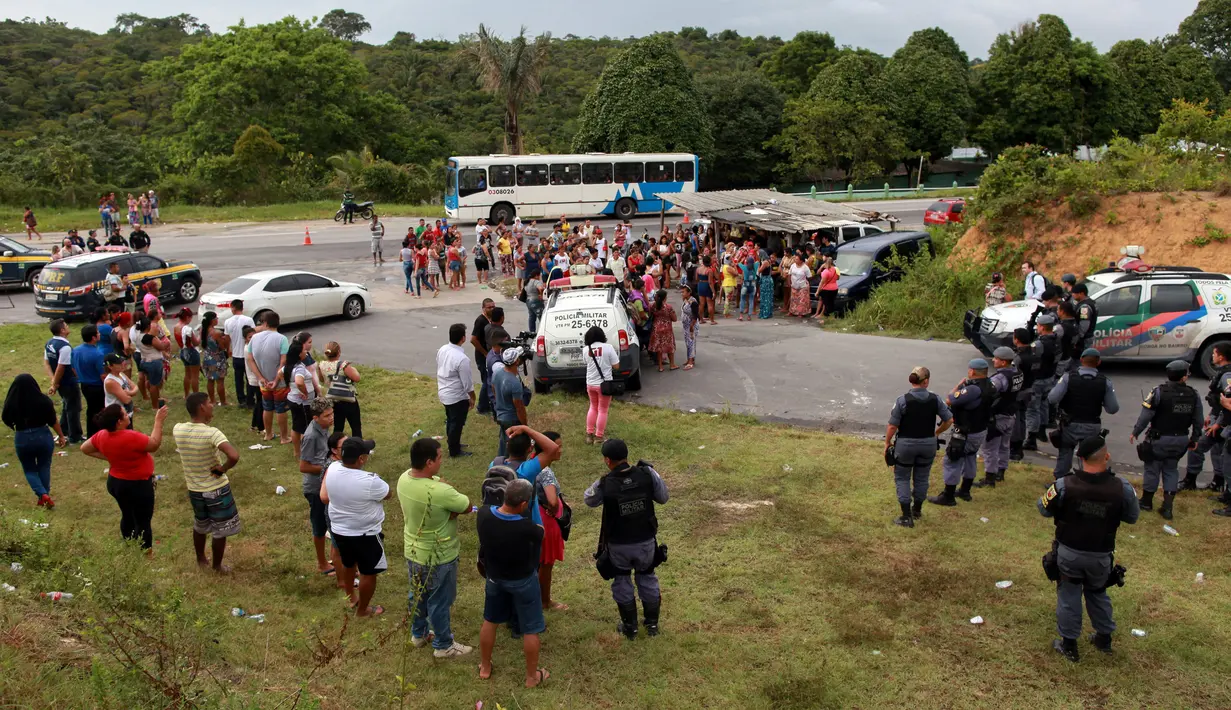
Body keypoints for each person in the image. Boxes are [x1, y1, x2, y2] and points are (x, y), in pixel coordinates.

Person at [1038, 433, 1139, 662]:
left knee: (1068, 594)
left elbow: (1043, 508)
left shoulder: (1065, 485)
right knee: (1098, 592)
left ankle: (1069, 645)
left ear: (1080, 458)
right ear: (1107, 457)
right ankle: (1104, 638)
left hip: (1070, 552)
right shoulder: (1121, 487)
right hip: (1101, 554)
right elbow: (1132, 516)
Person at [584, 439, 669, 639]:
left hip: (618, 544)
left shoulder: (605, 483)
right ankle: (652, 625)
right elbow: (663, 497)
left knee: (622, 580)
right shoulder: (647, 474)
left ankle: (630, 628)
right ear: (626, 455)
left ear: (607, 460)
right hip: (646, 541)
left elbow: (589, 499)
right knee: (647, 576)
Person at [398, 437, 474, 657]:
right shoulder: (441, 491)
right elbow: (467, 505)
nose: (442, 461)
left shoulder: (404, 478)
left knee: (417, 595)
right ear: (429, 462)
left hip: (413, 551)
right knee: (439, 601)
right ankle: (443, 645)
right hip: (439, 555)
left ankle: (418, 634)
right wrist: (445, 487)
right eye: (440, 457)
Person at [476, 478, 550, 688]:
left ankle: (485, 667)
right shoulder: (528, 529)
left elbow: (491, 508)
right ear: (524, 504)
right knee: (530, 628)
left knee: (490, 620)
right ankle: (531, 677)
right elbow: (540, 534)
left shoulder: (483, 515)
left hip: (494, 578)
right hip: (523, 581)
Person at [82, 403, 168, 551]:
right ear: (119, 422)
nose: (128, 415)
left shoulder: (102, 434)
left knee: (127, 514)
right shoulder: (130, 436)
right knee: (143, 521)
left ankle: (129, 545)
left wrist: (110, 457)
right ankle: (146, 554)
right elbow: (154, 445)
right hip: (138, 485)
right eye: (125, 413)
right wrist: (158, 421)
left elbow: (85, 448)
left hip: (116, 483)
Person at [173, 393, 242, 573]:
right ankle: (217, 566)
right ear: (202, 408)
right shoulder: (212, 433)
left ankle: (201, 558)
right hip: (216, 489)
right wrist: (223, 468)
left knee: (200, 524)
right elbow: (234, 456)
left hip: (194, 490)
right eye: (209, 402)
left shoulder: (178, 429)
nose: (212, 405)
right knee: (221, 529)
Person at [320, 437, 388, 617]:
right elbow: (388, 494)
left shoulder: (333, 468)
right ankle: (363, 609)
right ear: (361, 459)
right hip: (366, 534)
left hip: (340, 530)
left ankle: (351, 597)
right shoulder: (370, 481)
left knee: (348, 565)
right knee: (368, 572)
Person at [1131, 360, 1202, 521]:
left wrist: (1136, 431)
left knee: (1152, 468)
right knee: (1171, 470)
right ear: (1184, 377)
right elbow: (1198, 420)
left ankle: (1147, 502)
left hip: (1159, 439)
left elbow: (1145, 416)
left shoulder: (1158, 392)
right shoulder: (1193, 394)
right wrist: (1195, 438)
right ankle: (1168, 507)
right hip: (1181, 440)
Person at [885, 366, 953, 527]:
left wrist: (887, 443)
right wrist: (936, 433)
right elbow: (949, 420)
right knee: (922, 478)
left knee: (902, 477)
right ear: (926, 381)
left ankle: (906, 516)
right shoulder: (935, 399)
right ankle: (917, 510)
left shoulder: (902, 400)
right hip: (928, 443)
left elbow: (892, 426)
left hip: (906, 444)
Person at [928, 358, 993, 506]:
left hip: (966, 431)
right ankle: (965, 490)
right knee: (970, 457)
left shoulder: (973, 389)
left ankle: (948, 496)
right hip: (980, 429)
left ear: (972, 371)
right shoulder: (990, 385)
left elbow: (950, 400)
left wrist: (958, 386)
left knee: (952, 459)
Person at [1048, 348, 1120, 479]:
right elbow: (1113, 409)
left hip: (1070, 424)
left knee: (1065, 452)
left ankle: (1060, 481)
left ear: (1081, 360)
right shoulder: (1105, 382)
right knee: (1089, 454)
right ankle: (1086, 480)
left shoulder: (1068, 377)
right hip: (1092, 424)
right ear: (1098, 362)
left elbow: (1052, 398)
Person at [3, 374, 67, 507]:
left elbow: (5, 418)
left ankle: (42, 494)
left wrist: (13, 426)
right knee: (44, 466)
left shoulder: (12, 402)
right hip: (43, 435)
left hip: (22, 436)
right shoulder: (43, 401)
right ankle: (45, 494)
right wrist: (61, 435)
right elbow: (53, 420)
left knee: (29, 469)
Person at [974, 347, 1025, 488]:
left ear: (1003, 362)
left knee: (990, 448)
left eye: (996, 358)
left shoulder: (1000, 378)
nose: (993, 360)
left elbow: (987, 392)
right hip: (1010, 414)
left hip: (998, 417)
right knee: (1004, 446)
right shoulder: (1018, 373)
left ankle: (989, 478)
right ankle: (1000, 473)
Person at [299, 397, 339, 575]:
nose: (331, 418)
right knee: (319, 525)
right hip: (315, 488)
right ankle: (322, 563)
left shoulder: (324, 428)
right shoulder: (311, 436)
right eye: (327, 415)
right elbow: (304, 466)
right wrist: (328, 468)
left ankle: (333, 559)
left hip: (326, 483)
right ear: (315, 418)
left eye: (332, 414)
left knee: (331, 522)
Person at [1183, 342, 1231, 492]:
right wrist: (1211, 415)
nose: (1212, 356)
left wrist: (1218, 422)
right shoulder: (1223, 373)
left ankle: (1190, 480)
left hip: (1223, 422)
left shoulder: (1227, 376)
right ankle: (1218, 483)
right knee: (1217, 451)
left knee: (1196, 446)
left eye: (1214, 353)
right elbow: (1218, 402)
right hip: (1219, 418)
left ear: (1221, 357)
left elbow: (1227, 403)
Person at [248, 311, 291, 445]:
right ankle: (284, 437)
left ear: (265, 323)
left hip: (264, 382)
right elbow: (283, 361)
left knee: (267, 407)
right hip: (279, 381)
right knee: (280, 408)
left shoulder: (254, 338)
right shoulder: (282, 339)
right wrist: (277, 380)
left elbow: (250, 359)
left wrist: (260, 378)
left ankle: (268, 433)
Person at [436, 324, 475, 458]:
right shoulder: (462, 359)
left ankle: (453, 443)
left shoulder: (442, 349)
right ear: (463, 338)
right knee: (456, 424)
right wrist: (472, 397)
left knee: (451, 420)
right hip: (456, 396)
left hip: (444, 392)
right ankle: (454, 450)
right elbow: (467, 383)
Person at [1024, 314, 1061, 451]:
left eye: (1038, 326)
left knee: (1033, 409)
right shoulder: (1057, 340)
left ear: (1042, 327)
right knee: (1044, 405)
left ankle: (1031, 438)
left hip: (1038, 379)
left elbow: (1032, 360)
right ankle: (1041, 431)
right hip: (1050, 377)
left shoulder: (1039, 344)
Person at [45, 319, 83, 444]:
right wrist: (55, 383)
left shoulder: (50, 343)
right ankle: (74, 436)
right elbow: (61, 367)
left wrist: (53, 381)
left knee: (66, 406)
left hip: (59, 381)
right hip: (68, 381)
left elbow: (47, 362)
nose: (68, 327)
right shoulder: (65, 347)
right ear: (62, 330)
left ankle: (64, 430)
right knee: (73, 407)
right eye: (66, 325)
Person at [583, 326, 620, 444]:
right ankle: (599, 437)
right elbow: (616, 366)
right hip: (605, 385)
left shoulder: (586, 349)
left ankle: (589, 435)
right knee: (603, 410)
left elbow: (586, 363)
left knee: (592, 407)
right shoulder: (608, 348)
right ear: (602, 336)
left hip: (590, 383)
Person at [493, 347, 530, 457]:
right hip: (512, 419)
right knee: (513, 449)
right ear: (517, 361)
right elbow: (519, 407)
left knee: (504, 443)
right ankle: (504, 468)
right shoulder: (514, 383)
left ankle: (499, 463)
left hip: (500, 415)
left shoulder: (497, 373)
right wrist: (524, 425)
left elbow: (493, 389)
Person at [319, 342, 362, 437]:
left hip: (334, 399)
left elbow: (322, 379)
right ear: (339, 352)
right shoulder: (343, 365)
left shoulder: (321, 365)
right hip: (348, 399)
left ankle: (335, 446)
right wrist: (354, 369)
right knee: (355, 425)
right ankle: (358, 446)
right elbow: (357, 378)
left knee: (338, 425)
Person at [73, 325, 106, 438]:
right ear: (93, 337)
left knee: (91, 410)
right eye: (98, 333)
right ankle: (98, 434)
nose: (99, 334)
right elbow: (102, 375)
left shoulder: (76, 350)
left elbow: (73, 368)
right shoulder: (98, 354)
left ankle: (91, 433)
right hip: (96, 386)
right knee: (99, 411)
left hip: (84, 385)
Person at [223, 300, 256, 409]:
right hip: (248, 354)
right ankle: (251, 400)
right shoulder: (249, 320)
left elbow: (227, 338)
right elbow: (253, 336)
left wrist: (228, 349)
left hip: (236, 355)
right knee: (250, 378)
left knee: (238, 379)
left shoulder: (227, 322)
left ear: (233, 308)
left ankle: (241, 399)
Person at [1009, 328, 1036, 461]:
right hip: (1029, 388)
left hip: (1019, 392)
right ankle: (1018, 446)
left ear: (1017, 339)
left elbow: (1013, 374)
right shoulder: (1034, 354)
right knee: (1022, 418)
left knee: (1015, 420)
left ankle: (1015, 447)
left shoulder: (1018, 358)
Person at [135, 314, 171, 411]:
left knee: (150, 381)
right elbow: (161, 347)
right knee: (154, 384)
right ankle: (155, 406)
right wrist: (163, 341)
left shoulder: (138, 336)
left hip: (144, 360)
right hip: (154, 362)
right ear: (148, 326)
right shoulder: (150, 338)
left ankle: (156, 399)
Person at [472, 299, 496, 416]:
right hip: (482, 357)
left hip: (489, 355)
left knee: (489, 380)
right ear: (483, 308)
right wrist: (485, 353)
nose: (491, 309)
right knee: (487, 381)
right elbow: (473, 339)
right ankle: (482, 407)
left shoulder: (490, 320)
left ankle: (487, 405)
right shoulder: (480, 321)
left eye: (493, 307)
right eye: (489, 307)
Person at [200, 312, 229, 405]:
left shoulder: (203, 331)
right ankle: (223, 401)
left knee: (210, 380)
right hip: (217, 359)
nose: (217, 319)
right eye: (216, 318)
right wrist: (227, 341)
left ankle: (212, 400)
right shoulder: (216, 333)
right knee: (220, 380)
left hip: (207, 357)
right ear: (212, 320)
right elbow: (222, 346)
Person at [649, 289, 678, 373]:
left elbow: (651, 314)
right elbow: (675, 319)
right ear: (665, 298)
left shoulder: (653, 306)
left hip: (656, 328)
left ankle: (660, 366)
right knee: (669, 346)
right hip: (666, 329)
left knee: (659, 348)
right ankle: (672, 364)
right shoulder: (668, 307)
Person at [173, 308, 200, 398]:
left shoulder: (176, 326)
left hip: (182, 351)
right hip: (191, 352)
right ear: (187, 317)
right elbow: (196, 342)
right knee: (195, 376)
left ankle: (186, 394)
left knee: (187, 374)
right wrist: (200, 334)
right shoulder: (187, 329)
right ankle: (196, 396)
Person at [1070, 284, 1098, 362]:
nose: (1073, 295)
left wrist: (1077, 339)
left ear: (1081, 293)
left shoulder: (1084, 307)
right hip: (1087, 337)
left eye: (1074, 293)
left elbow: (1084, 325)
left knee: (1083, 360)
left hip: (1084, 339)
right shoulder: (1091, 302)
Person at [814, 256, 839, 322]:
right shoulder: (836, 269)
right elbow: (838, 278)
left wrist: (817, 292)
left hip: (826, 289)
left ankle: (826, 318)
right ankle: (832, 317)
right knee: (831, 303)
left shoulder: (825, 272)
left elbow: (821, 283)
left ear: (826, 263)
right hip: (835, 288)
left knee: (826, 304)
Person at [680, 285, 698, 370]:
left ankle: (690, 362)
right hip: (686, 325)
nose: (682, 293)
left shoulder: (693, 302)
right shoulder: (686, 300)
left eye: (683, 292)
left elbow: (695, 316)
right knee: (687, 342)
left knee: (691, 342)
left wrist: (691, 326)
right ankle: (690, 359)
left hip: (691, 326)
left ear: (689, 292)